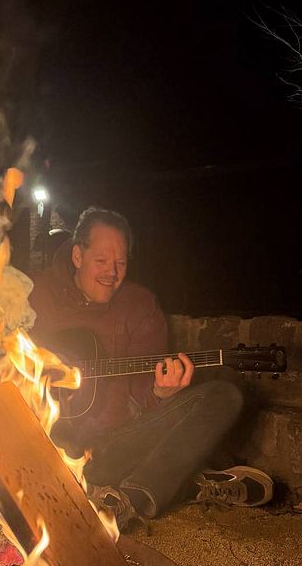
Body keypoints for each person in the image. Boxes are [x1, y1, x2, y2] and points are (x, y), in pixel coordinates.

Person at [28, 206, 273, 527]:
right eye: (101, 261)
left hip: (117, 445)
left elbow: (143, 397)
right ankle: (185, 484)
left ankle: (131, 498)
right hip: (51, 447)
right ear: (77, 256)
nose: (111, 272)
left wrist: (160, 391)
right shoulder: (34, 294)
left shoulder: (141, 305)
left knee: (224, 396)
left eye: (121, 263)